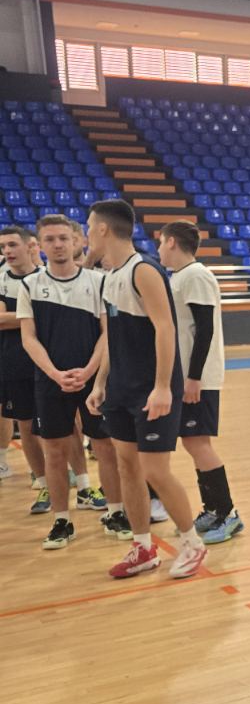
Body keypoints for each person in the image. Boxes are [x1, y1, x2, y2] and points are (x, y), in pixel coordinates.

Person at [84, 199, 208, 580]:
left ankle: (192, 543)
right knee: (127, 466)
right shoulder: (111, 276)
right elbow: (113, 336)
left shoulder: (144, 270)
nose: (87, 234)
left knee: (155, 470)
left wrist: (162, 387)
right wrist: (100, 382)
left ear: (103, 229)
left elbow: (165, 328)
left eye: (89, 227)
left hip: (151, 389)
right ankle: (143, 547)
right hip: (121, 387)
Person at [16, 214, 124, 550]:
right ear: (40, 245)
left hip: (94, 381)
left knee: (105, 447)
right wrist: (55, 374)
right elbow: (29, 338)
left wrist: (89, 372)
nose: (58, 245)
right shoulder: (30, 286)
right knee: (54, 451)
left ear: (76, 241)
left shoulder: (98, 282)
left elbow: (108, 333)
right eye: (50, 239)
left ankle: (116, 512)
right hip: (51, 382)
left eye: (64, 238)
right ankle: (62, 521)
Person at [157, 221, 243, 543]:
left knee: (199, 444)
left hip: (198, 378)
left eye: (161, 243)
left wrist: (194, 377)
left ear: (171, 242)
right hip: (186, 376)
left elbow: (204, 329)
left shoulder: (196, 275)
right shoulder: (180, 277)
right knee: (193, 443)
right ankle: (213, 509)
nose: (158, 249)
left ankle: (228, 514)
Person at [0, 223, 48, 509]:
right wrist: (35, 316)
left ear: (29, 246)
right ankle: (43, 484)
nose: (7, 251)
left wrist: (15, 318)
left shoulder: (46, 277)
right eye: (3, 247)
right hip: (14, 362)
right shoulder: (1, 278)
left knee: (67, 427)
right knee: (27, 426)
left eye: (12, 245)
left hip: (50, 362)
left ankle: (79, 482)